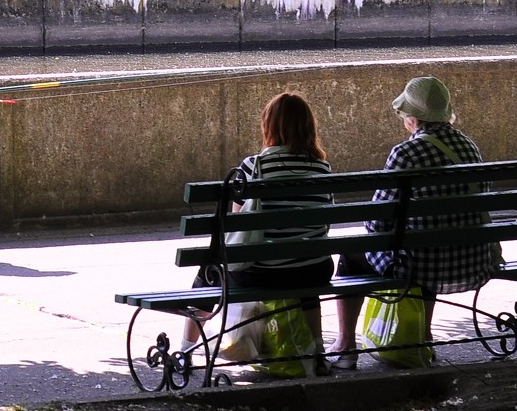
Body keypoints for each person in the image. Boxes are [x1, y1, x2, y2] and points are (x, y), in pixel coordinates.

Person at [328, 76, 500, 369]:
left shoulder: (406, 153)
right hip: (473, 261)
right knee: (430, 242)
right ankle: (423, 336)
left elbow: (377, 219)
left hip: (421, 266)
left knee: (352, 256)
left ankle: (345, 346)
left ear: (412, 118)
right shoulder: (469, 147)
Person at [181, 91, 334, 369]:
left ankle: (185, 351)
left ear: (270, 126)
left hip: (263, 273)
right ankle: (318, 353)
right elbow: (323, 223)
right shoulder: (322, 168)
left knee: (208, 272)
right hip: (314, 270)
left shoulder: (254, 166)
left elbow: (237, 226)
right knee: (303, 272)